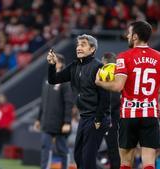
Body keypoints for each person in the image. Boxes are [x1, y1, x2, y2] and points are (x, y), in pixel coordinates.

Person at [95, 20, 160, 169]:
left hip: (129, 115)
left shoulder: (124, 57)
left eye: (129, 33)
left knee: (126, 163)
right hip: (150, 114)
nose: (127, 35)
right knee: (149, 163)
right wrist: (155, 90)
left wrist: (100, 83)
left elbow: (118, 86)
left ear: (135, 37)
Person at [47, 34, 110, 169]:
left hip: (97, 117)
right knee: (78, 156)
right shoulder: (74, 66)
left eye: (83, 45)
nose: (78, 47)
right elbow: (53, 80)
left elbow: (105, 97)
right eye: (78, 45)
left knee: (87, 158)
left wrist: (98, 119)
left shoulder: (99, 67)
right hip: (84, 116)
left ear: (92, 49)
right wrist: (52, 65)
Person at [34, 53, 74, 169]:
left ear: (60, 63)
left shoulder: (65, 80)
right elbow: (43, 101)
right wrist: (38, 119)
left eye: (54, 60)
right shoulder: (47, 78)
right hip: (47, 122)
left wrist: (67, 122)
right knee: (45, 147)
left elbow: (68, 102)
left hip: (60, 123)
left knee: (62, 149)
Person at [101, 52, 121, 169]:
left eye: (103, 63)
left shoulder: (113, 75)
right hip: (111, 117)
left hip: (113, 119)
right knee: (112, 150)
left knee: (114, 149)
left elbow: (113, 100)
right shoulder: (118, 75)